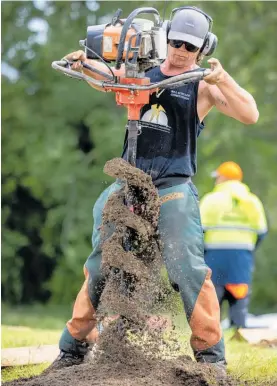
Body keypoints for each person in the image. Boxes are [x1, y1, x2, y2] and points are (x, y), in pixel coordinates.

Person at [48, 7, 259, 373]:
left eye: (189, 47)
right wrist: (83, 63)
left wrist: (224, 80)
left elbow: (249, 114)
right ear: (165, 38)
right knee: (100, 264)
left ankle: (210, 358)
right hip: (127, 182)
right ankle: (73, 348)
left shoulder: (202, 85)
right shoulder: (139, 73)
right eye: (175, 42)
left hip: (172, 187)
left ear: (202, 49)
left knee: (187, 267)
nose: (180, 50)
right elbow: (103, 77)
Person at [200, 162, 268, 328]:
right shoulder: (252, 201)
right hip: (241, 257)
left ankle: (212, 333)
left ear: (222, 178)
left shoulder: (210, 200)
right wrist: (247, 250)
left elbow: (197, 230)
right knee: (239, 297)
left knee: (213, 301)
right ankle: (238, 330)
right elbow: (261, 231)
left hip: (214, 256)